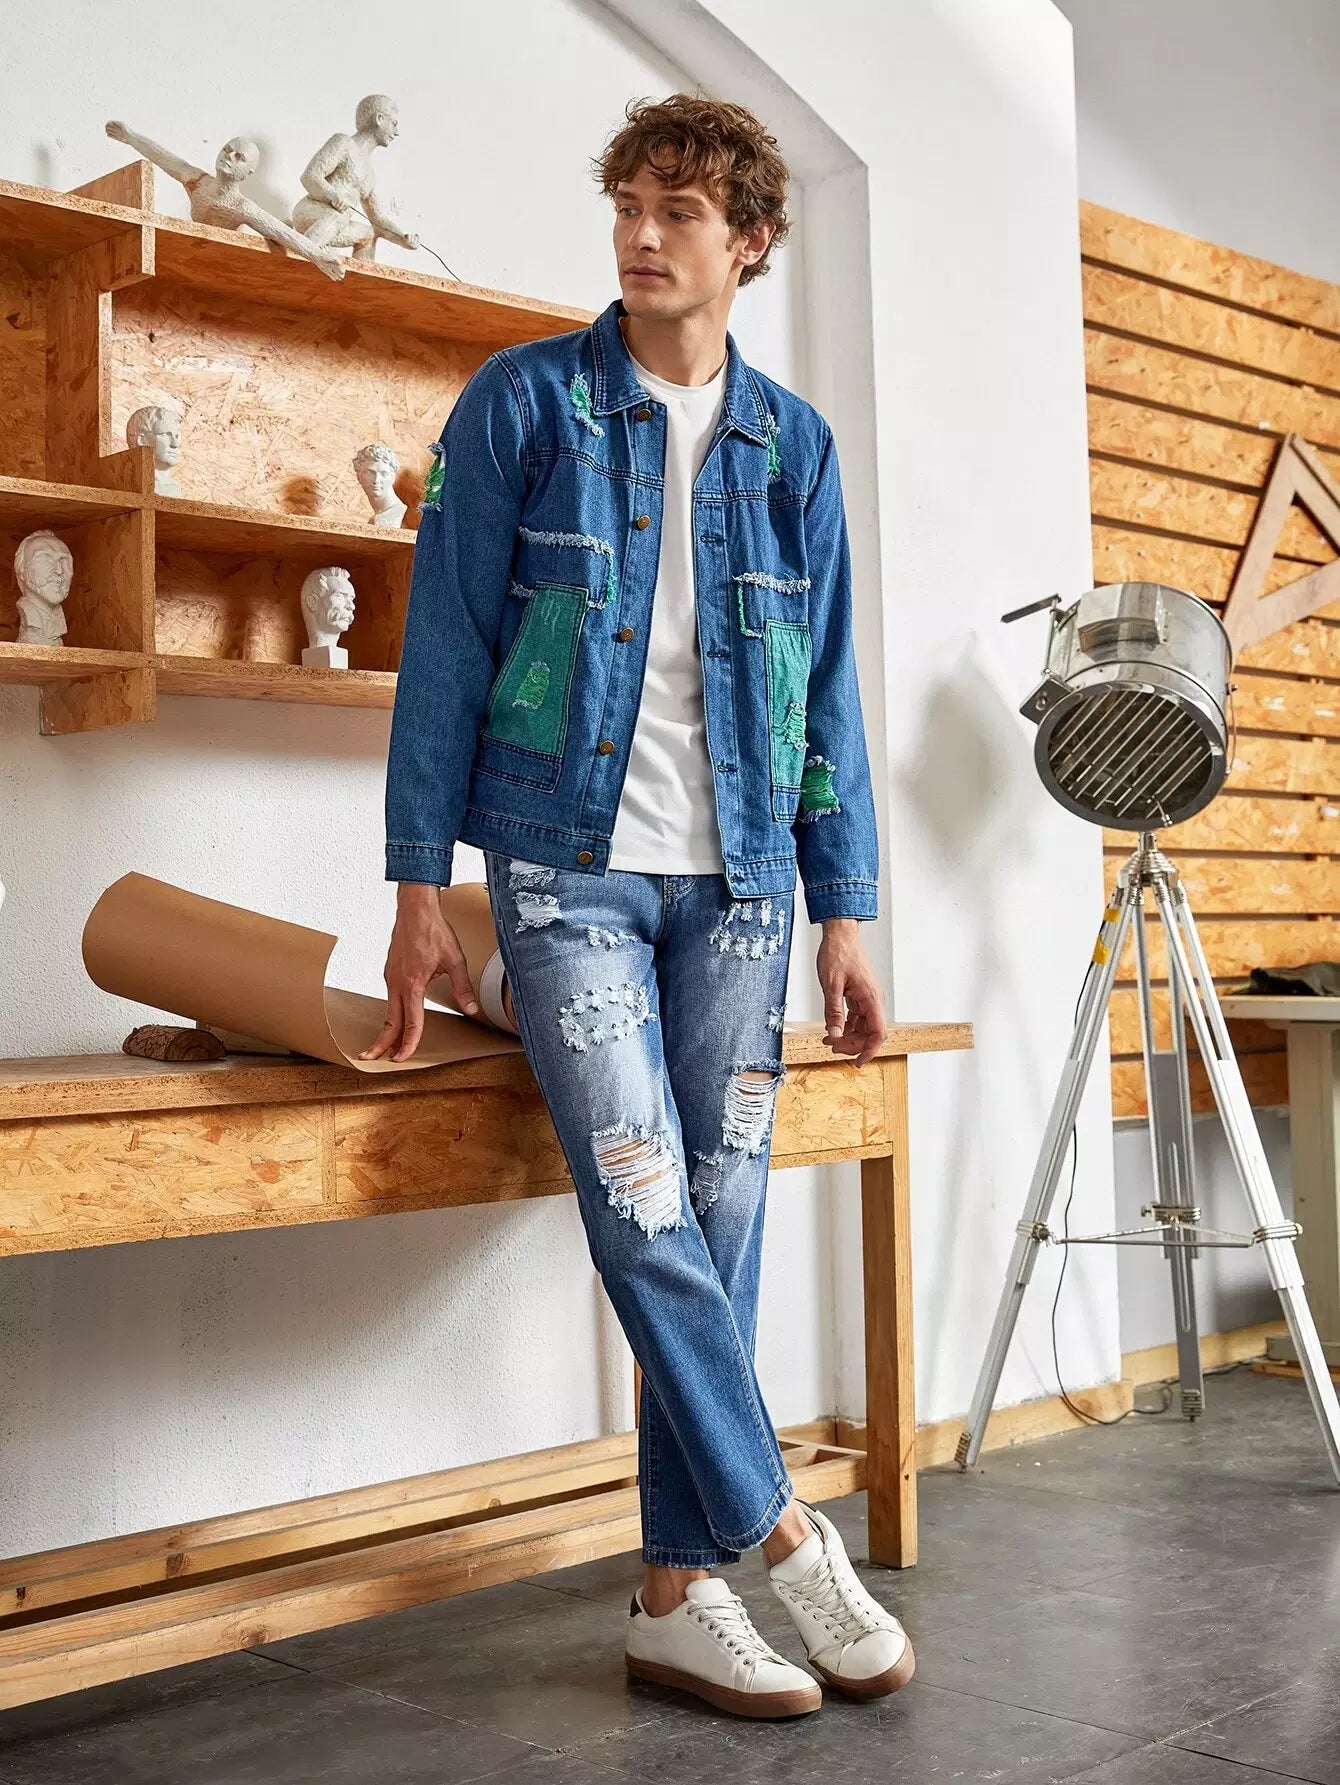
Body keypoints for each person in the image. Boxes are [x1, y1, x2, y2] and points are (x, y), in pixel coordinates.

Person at [364, 92, 909, 1720]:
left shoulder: (795, 449)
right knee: (641, 1197)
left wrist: (847, 909)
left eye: (679, 212)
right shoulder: (523, 404)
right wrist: (417, 888)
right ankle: (786, 1532)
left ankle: (673, 1594)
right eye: (627, 207)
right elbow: (444, 650)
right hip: (561, 865)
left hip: (743, 886)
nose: (641, 236)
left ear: (750, 242)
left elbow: (826, 696)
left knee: (722, 1217)